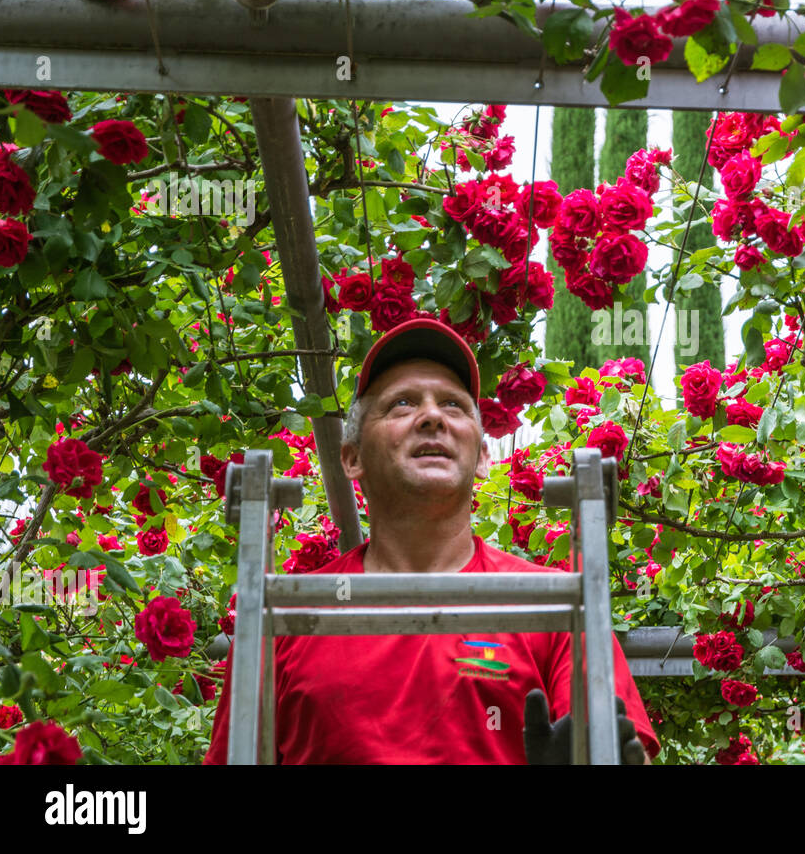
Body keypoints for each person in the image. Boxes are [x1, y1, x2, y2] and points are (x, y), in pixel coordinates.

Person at [204, 317, 659, 764]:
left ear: (483, 457)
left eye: (454, 405)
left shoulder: (559, 609)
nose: (432, 417)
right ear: (352, 457)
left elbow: (621, 750)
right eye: (402, 404)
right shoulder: (286, 617)